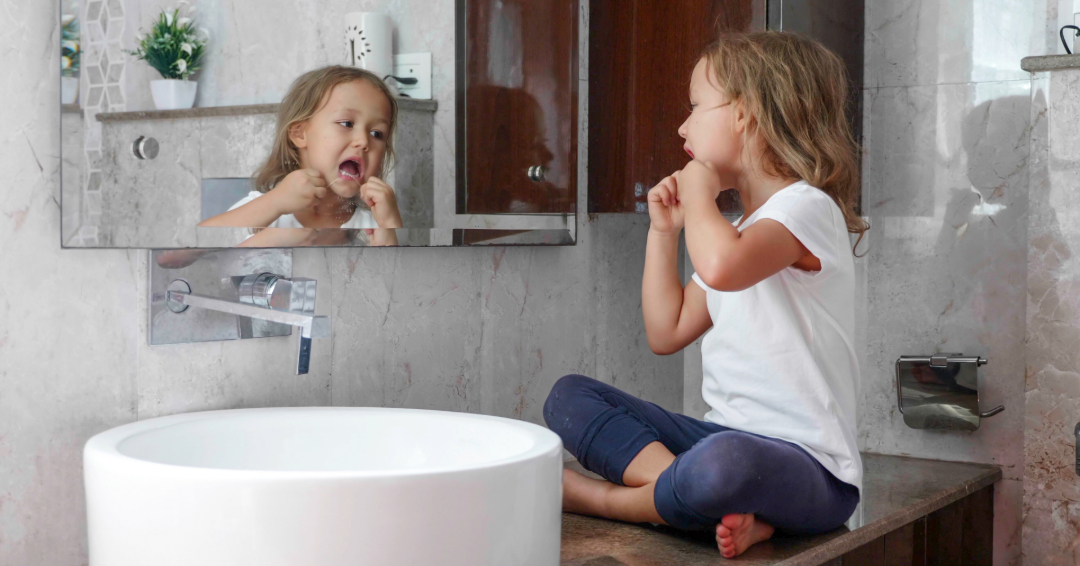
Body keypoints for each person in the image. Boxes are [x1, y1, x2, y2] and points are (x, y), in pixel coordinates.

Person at [543, 31, 869, 559]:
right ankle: (707, 502)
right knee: (569, 397)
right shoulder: (740, 229)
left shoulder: (807, 208)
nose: (682, 125)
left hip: (813, 472)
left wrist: (698, 188)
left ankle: (609, 500)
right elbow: (665, 331)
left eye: (696, 106)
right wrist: (663, 232)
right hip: (720, 446)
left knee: (727, 465)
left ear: (746, 112)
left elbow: (721, 267)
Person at [200, 65, 402, 247]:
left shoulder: (373, 228)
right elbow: (189, 250)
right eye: (346, 124)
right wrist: (275, 204)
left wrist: (391, 227)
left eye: (377, 134)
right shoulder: (266, 210)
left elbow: (400, 285)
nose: (364, 141)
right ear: (299, 133)